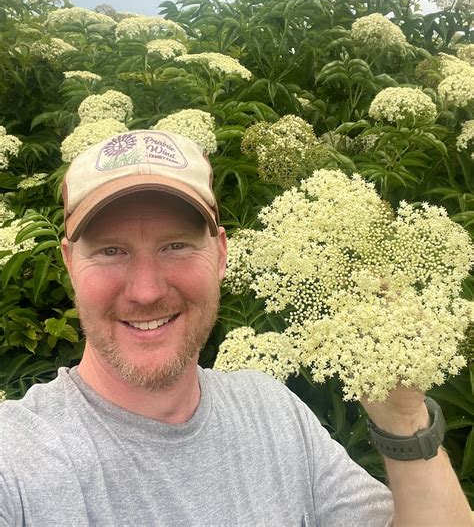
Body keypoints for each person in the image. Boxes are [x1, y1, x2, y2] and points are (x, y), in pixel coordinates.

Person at [0, 129, 471, 527]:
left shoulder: (273, 412)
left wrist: (404, 419)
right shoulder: (19, 458)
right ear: (68, 264)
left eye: (176, 246)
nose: (145, 291)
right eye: (110, 251)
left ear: (222, 254)